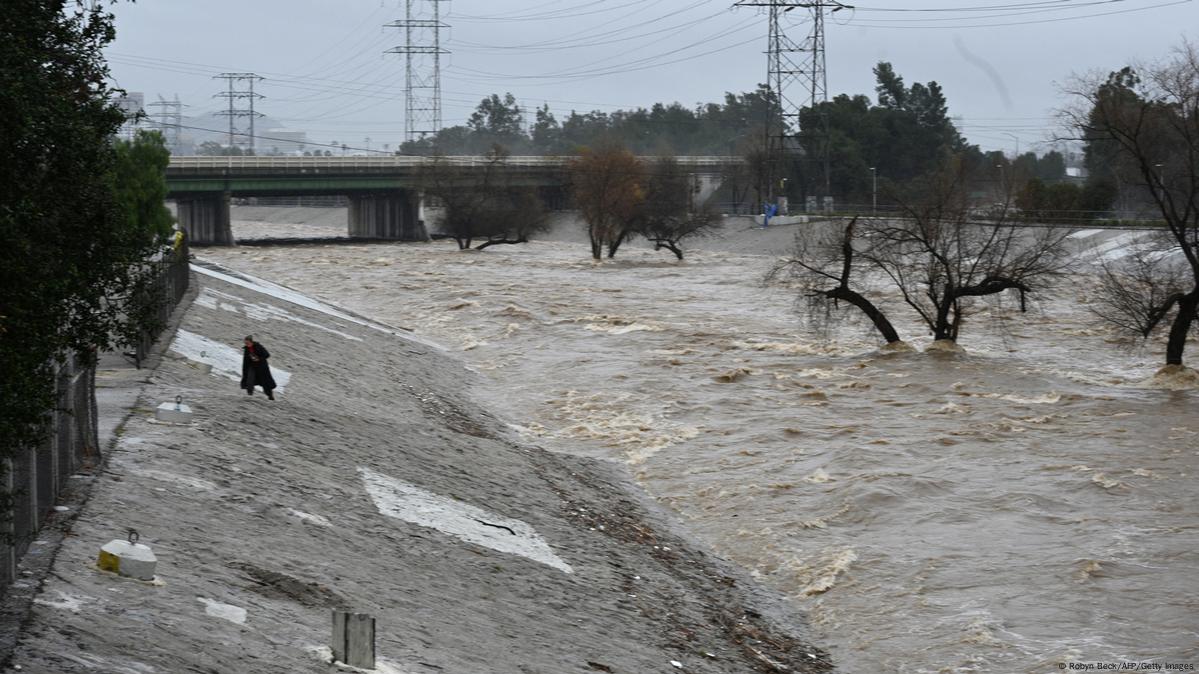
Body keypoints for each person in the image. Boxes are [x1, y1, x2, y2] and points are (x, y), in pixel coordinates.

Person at [240, 335, 277, 400]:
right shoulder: (246, 349)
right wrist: (245, 371)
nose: (246, 344)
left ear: (251, 342)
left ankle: (270, 396)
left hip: (261, 367)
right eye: (245, 343)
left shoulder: (258, 346)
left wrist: (259, 359)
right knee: (249, 379)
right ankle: (250, 395)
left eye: (247, 343)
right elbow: (245, 361)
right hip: (252, 366)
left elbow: (267, 355)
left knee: (265, 383)